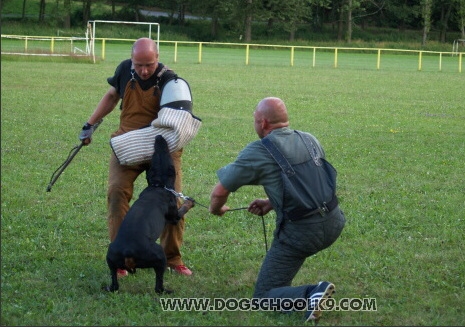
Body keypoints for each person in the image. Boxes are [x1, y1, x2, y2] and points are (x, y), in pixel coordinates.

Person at [209, 97, 346, 322]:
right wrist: (271, 202)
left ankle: (312, 293)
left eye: (254, 120)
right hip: (334, 222)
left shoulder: (259, 151)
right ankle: (303, 293)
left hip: (301, 234)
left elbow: (219, 192)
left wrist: (216, 209)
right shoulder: (309, 139)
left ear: (263, 123)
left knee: (263, 297)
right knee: (281, 275)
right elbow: (310, 182)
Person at [79, 37, 192, 276]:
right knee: (116, 193)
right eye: (138, 64)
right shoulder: (123, 70)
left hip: (163, 149)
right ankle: (122, 257)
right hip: (127, 145)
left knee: (173, 202)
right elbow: (111, 96)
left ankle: (172, 258)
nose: (143, 70)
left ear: (157, 59)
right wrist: (90, 124)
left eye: (148, 65)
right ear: (131, 60)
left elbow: (179, 120)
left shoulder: (171, 82)